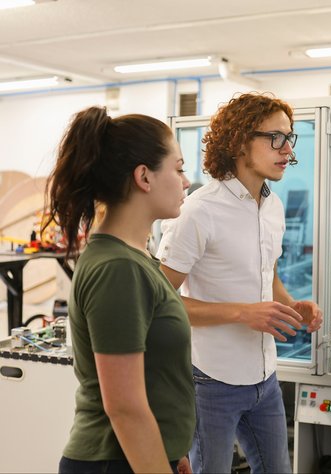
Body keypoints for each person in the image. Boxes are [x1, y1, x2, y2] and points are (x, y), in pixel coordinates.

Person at [157, 92, 323, 474]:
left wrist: (292, 304)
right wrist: (242, 313)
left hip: (265, 377)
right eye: (275, 138)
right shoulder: (198, 211)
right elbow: (160, 303)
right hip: (210, 379)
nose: (287, 150)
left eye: (290, 137)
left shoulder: (273, 206)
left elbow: (269, 275)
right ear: (239, 141)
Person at [45, 107, 194, 473]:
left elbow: (154, 377)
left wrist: (173, 453)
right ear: (144, 176)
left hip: (139, 457)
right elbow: (124, 407)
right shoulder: (118, 269)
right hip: (114, 462)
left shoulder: (135, 258)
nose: (186, 181)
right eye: (178, 168)